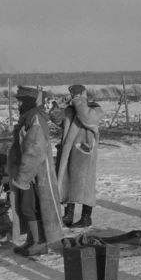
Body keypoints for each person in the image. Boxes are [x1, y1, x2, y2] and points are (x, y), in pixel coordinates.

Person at [8, 86, 63, 256]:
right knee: (29, 207)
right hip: (29, 172)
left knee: (29, 207)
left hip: (34, 174)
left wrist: (23, 177)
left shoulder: (34, 119)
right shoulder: (30, 117)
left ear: (29, 102)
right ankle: (33, 240)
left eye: (21, 101)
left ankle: (39, 242)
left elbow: (34, 150)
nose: (18, 105)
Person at [49, 84, 104, 228]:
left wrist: (78, 102)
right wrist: (57, 108)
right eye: (74, 94)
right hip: (68, 152)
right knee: (68, 182)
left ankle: (86, 217)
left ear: (84, 93)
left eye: (77, 94)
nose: (75, 96)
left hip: (84, 152)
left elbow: (88, 119)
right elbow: (59, 121)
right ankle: (68, 215)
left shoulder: (94, 108)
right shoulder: (71, 109)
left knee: (85, 185)